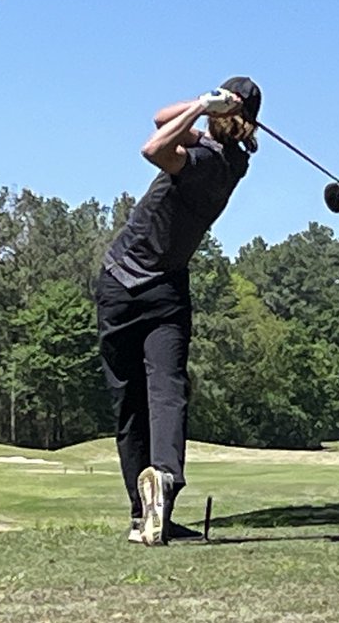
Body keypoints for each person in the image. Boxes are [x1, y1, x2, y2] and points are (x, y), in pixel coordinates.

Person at [96, 77, 261, 545]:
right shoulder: (229, 155)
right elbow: (160, 118)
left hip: (128, 284)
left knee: (138, 401)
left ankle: (156, 491)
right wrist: (203, 104)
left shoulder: (213, 161)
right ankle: (154, 510)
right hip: (154, 286)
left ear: (238, 120)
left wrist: (202, 109)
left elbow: (152, 147)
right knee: (161, 392)